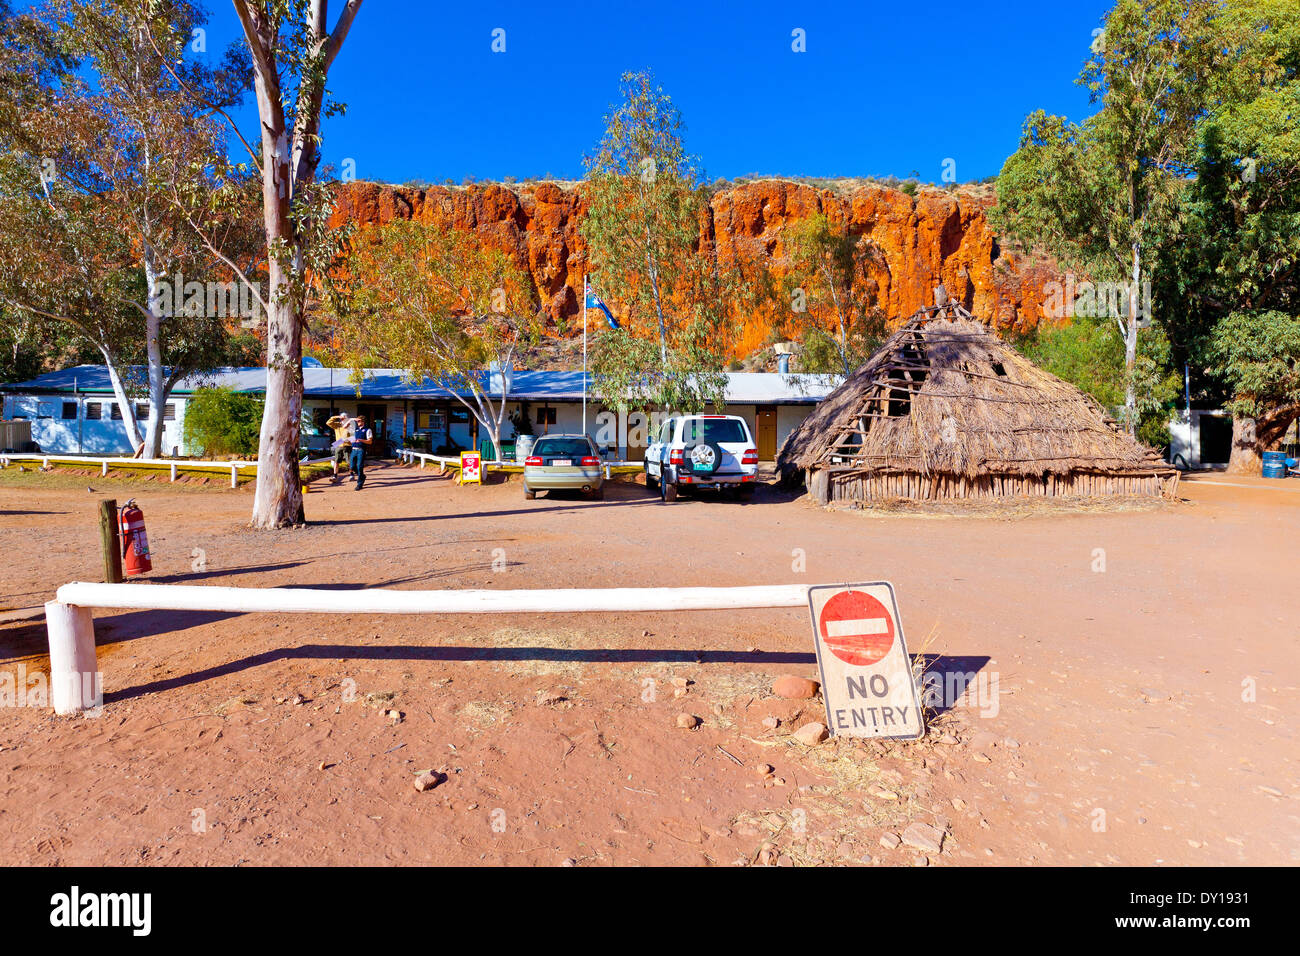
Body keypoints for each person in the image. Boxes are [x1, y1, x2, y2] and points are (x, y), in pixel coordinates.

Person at [325, 412, 354, 484]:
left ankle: (351, 474)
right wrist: (337, 416)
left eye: (345, 417)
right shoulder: (337, 425)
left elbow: (353, 437)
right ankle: (335, 476)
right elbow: (328, 422)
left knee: (349, 461)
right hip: (338, 444)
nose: (343, 419)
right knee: (336, 461)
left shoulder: (350, 426)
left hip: (347, 445)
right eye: (342, 418)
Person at [350, 414, 373, 491]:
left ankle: (359, 484)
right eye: (357, 421)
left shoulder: (367, 430)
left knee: (360, 466)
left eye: (359, 421)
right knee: (352, 467)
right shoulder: (355, 429)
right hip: (353, 449)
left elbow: (370, 442)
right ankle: (362, 476)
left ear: (363, 421)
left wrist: (361, 440)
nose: (357, 422)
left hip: (361, 450)